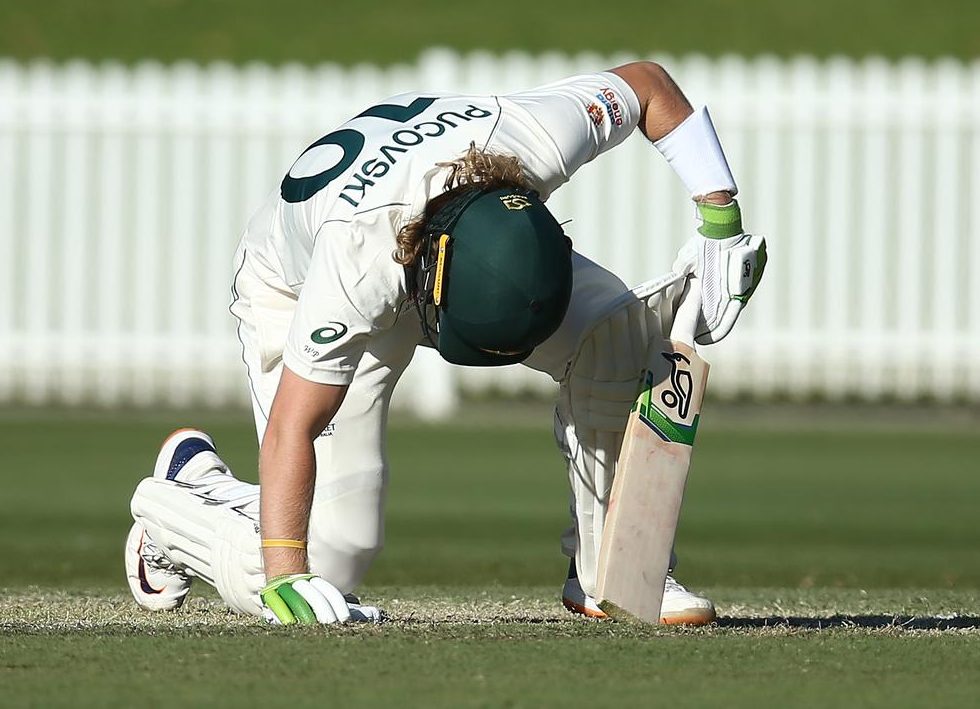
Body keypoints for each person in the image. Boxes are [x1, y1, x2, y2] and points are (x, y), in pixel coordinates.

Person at [125, 61, 767, 626]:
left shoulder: (532, 136)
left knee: (613, 333)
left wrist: (721, 222)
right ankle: (182, 498)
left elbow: (649, 86)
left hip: (435, 229)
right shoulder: (352, 265)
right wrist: (288, 573)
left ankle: (616, 574)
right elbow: (293, 426)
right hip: (294, 285)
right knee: (328, 558)